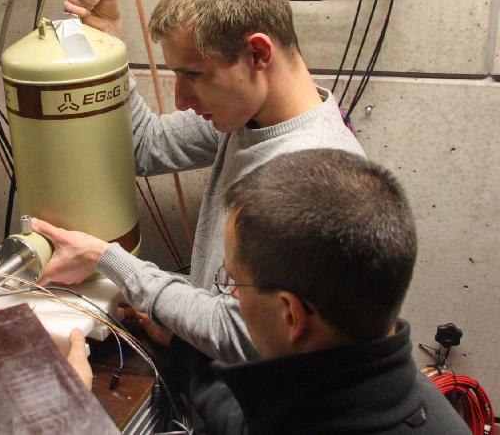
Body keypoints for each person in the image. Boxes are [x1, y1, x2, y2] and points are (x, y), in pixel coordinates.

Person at [34, 0, 365, 362]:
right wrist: (110, 41)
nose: (182, 100)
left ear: (258, 54)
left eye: (194, 75)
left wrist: (108, 259)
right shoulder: (249, 116)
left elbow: (241, 335)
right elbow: (146, 145)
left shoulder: (313, 176)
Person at [66, 150, 470, 434]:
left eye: (233, 281)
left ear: (291, 315)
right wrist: (184, 351)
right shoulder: (383, 395)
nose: (231, 297)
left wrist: (71, 419)